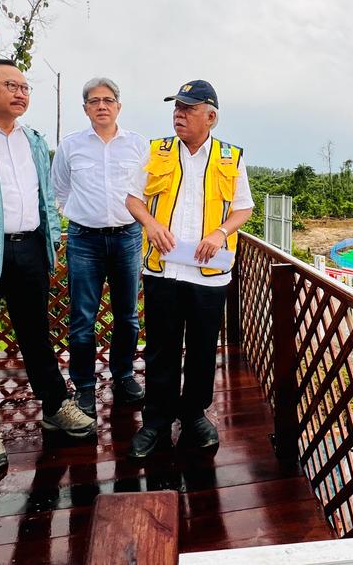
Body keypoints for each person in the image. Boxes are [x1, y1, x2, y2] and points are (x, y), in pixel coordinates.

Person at [0, 58, 94, 471]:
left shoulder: (32, 139)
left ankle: (55, 406)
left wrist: (50, 240)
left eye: (25, 87)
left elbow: (46, 197)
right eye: (11, 85)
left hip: (30, 248)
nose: (21, 93)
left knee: (36, 334)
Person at [124, 80, 254, 459]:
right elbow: (133, 200)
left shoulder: (231, 157)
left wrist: (220, 231)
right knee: (161, 350)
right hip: (163, 270)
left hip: (209, 274)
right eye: (176, 108)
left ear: (210, 117)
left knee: (201, 349)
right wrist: (149, 223)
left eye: (188, 108)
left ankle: (195, 415)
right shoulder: (156, 151)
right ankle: (156, 421)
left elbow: (243, 207)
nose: (178, 115)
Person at [52, 77, 146, 417]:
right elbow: (59, 190)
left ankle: (123, 376)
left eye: (108, 100)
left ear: (119, 106)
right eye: (94, 101)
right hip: (84, 240)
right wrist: (81, 215)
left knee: (127, 316)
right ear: (86, 108)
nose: (102, 106)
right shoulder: (71, 146)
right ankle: (85, 386)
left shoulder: (138, 145)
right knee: (82, 317)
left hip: (127, 236)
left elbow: (148, 192)